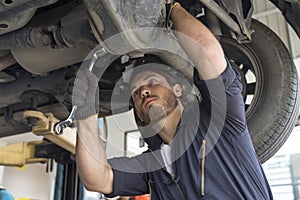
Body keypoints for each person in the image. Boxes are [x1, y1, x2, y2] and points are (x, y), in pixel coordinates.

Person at [74, 2, 273, 199]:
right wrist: (86, 117)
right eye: (135, 92)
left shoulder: (220, 125)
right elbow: (98, 179)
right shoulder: (153, 166)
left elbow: (208, 53)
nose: (143, 91)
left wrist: (171, 8)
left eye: (152, 82)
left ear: (177, 89)